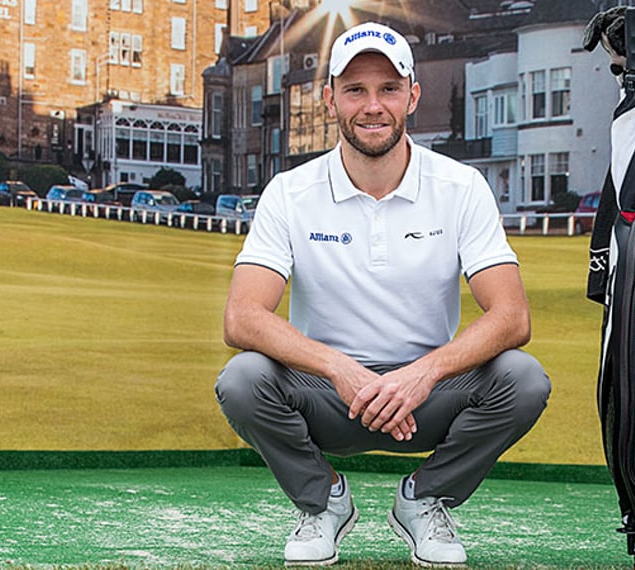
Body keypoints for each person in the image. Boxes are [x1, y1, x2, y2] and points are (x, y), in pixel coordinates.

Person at [214, 21, 551, 567]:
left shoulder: (461, 187)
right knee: (243, 379)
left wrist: (421, 375)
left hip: (426, 401)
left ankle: (423, 500)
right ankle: (323, 501)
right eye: (355, 90)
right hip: (326, 396)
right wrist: (343, 371)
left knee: (524, 378)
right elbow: (243, 317)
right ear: (330, 100)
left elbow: (511, 316)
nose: (373, 106)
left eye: (389, 89)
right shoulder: (290, 193)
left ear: (412, 96)